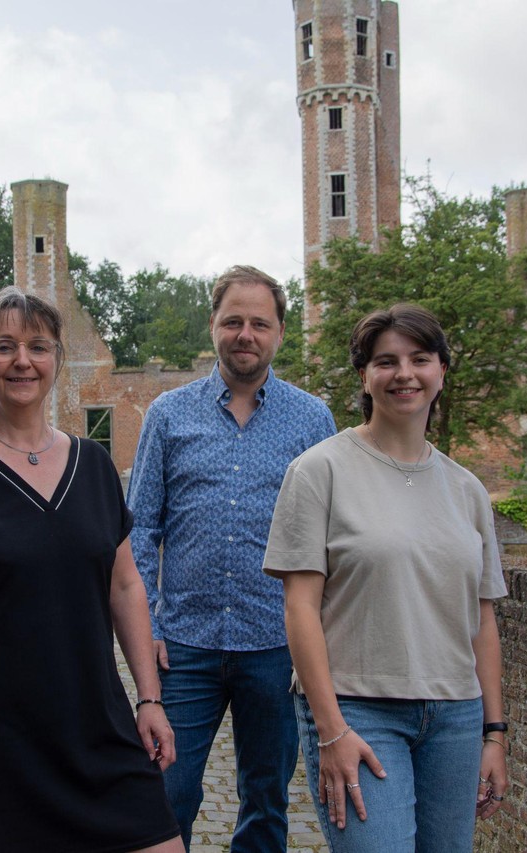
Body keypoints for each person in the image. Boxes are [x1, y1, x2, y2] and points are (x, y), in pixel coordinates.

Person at [0, 286, 182, 852]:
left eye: (38, 347)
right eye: (4, 346)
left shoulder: (95, 466)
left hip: (94, 728)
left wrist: (149, 699)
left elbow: (125, 585)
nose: (22, 360)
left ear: (56, 359)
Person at [263, 304, 509, 852]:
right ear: (364, 376)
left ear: (442, 370)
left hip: (456, 718)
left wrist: (494, 733)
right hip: (359, 709)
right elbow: (300, 609)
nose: (404, 374)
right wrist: (330, 731)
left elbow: (483, 619)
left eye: (420, 359)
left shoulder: (467, 489)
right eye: (385, 361)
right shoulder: (319, 470)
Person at [127, 265, 336, 851]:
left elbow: (328, 538)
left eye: (260, 323)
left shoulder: (312, 420)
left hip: (276, 643)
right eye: (234, 321)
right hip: (184, 645)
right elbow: (139, 528)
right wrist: (148, 627)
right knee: (167, 794)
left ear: (279, 334)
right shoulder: (169, 415)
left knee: (267, 798)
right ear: (214, 324)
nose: (246, 334)